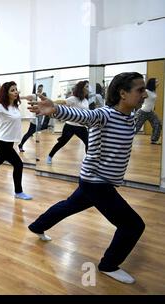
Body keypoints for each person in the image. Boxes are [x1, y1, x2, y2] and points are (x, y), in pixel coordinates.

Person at [27, 72, 147, 284]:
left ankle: (37, 226)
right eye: (140, 90)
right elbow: (85, 116)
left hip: (97, 180)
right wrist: (55, 110)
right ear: (123, 93)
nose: (145, 95)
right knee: (133, 225)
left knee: (68, 206)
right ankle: (108, 265)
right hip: (97, 182)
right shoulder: (105, 115)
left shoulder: (130, 117)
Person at [46, 80, 90, 165]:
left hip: (81, 127)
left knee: (88, 143)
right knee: (61, 143)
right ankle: (50, 156)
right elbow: (62, 102)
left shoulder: (86, 100)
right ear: (82, 88)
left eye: (88, 86)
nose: (88, 88)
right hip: (70, 126)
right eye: (86, 86)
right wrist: (51, 102)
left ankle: (89, 161)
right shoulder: (74, 98)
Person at [135, 78, 162, 144]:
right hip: (143, 111)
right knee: (136, 128)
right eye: (156, 82)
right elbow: (138, 98)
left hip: (150, 112)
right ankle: (125, 139)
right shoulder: (146, 91)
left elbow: (151, 101)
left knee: (157, 124)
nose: (158, 83)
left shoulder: (153, 91)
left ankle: (154, 140)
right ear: (152, 83)